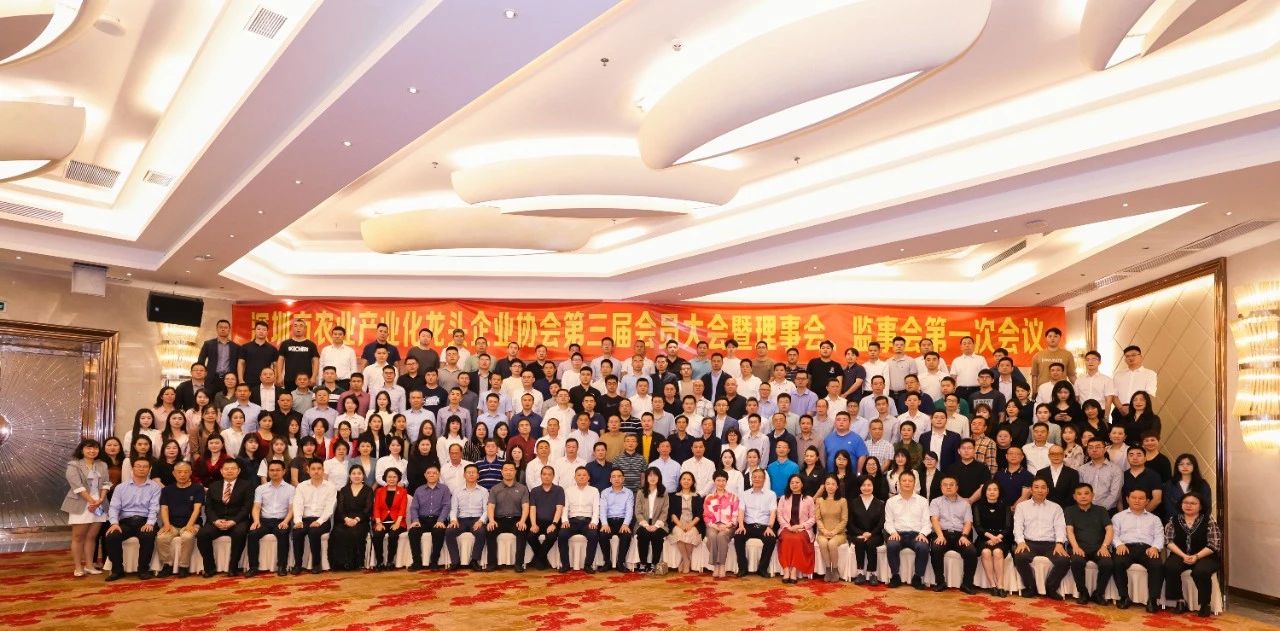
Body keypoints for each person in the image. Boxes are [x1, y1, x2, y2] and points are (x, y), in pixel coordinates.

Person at [102, 458, 162, 581]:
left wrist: (150, 523)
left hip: (145, 520)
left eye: (145, 466)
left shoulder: (155, 487)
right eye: (138, 466)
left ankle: (143, 570)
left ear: (149, 469)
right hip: (126, 522)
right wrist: (114, 523)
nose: (141, 469)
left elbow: (154, 507)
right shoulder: (121, 487)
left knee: (148, 535)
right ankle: (117, 570)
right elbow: (114, 507)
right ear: (132, 468)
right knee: (112, 536)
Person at [1162, 492, 1220, 618]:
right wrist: (1183, 555)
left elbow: (1213, 544)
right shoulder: (1174, 520)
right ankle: (1179, 601)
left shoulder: (1208, 520)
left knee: (1201, 571)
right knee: (1170, 566)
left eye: (1193, 503)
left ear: (1200, 506)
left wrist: (1196, 556)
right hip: (1180, 553)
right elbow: (1168, 541)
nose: (1189, 505)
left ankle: (1204, 604)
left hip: (1205, 555)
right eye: (1186, 503)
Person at [1011, 478, 1070, 599]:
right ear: (1031, 490)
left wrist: (1059, 543)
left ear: (1047, 490)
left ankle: (1051, 587)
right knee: (1020, 557)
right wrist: (1020, 542)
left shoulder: (1056, 507)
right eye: (1036, 487)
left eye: (1043, 487)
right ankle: (1030, 587)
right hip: (1029, 543)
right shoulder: (1022, 506)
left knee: (1064, 561)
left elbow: (1060, 527)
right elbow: (1017, 526)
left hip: (1050, 544)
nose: (1040, 490)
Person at [1111, 487, 1165, 612]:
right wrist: (1118, 544)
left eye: (1141, 498)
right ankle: (1124, 597)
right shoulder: (1118, 517)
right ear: (1127, 499)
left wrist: (1155, 547)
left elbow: (1159, 536)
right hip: (1125, 547)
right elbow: (1113, 534)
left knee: (1157, 565)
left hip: (1147, 548)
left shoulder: (1154, 519)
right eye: (1134, 498)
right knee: (1117, 562)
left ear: (1147, 501)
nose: (1137, 501)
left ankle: (1152, 600)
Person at [196, 460, 252, 578]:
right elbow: (209, 508)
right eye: (226, 469)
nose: (229, 471)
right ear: (221, 471)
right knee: (202, 534)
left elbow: (246, 507)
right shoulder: (213, 486)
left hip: (237, 520)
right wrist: (216, 521)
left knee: (240, 533)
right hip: (217, 520)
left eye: (233, 468)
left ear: (238, 471)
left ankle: (233, 567)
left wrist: (234, 521)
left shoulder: (247, 485)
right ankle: (209, 568)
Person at [65, 439, 111, 577]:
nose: (92, 451)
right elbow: (77, 486)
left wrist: (100, 500)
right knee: (78, 537)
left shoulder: (102, 464)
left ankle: (89, 565)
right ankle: (78, 567)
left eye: (95, 448)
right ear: (82, 450)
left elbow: (106, 483)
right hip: (82, 503)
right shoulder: (74, 465)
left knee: (92, 536)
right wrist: (92, 501)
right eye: (88, 448)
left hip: (99, 503)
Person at [1064, 482, 1115, 606]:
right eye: (1079, 494)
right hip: (1079, 547)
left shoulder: (1101, 510)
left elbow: (1109, 529)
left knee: (1107, 563)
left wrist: (1104, 546)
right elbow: (1069, 530)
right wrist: (1075, 547)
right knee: (1077, 561)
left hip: (1099, 548)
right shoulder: (1069, 511)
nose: (1083, 496)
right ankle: (1083, 593)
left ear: (1092, 495)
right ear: (1074, 496)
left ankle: (1099, 593)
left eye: (1086, 493)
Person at [927, 475, 979, 594]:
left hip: (960, 534)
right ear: (941, 488)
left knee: (971, 551)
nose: (948, 487)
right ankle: (940, 582)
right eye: (945, 485)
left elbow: (968, 522)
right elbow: (934, 520)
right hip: (942, 533)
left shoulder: (965, 504)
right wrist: (940, 535)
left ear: (957, 487)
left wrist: (964, 536)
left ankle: (967, 584)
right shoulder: (935, 502)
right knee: (936, 548)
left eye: (951, 485)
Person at [245, 460, 293, 577]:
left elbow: (292, 509)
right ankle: (253, 567)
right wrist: (256, 521)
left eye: (278, 470)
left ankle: (282, 566)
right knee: (252, 534)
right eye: (271, 470)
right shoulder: (261, 488)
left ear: (284, 471)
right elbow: (256, 507)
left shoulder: (291, 489)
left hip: (281, 520)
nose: (274, 473)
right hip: (264, 521)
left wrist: (286, 521)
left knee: (282, 534)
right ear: (268, 472)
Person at [884, 470, 930, 589]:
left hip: (916, 534)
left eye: (910, 481)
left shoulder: (923, 501)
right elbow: (888, 522)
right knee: (892, 545)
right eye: (904, 480)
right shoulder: (891, 501)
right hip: (898, 534)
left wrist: (923, 534)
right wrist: (893, 532)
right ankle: (895, 576)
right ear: (899, 483)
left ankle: (917, 577)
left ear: (915, 483)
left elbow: (927, 523)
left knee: (923, 547)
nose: (907, 483)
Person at [484, 462, 530, 572]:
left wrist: (523, 521)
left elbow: (525, 506)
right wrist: (491, 520)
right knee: (490, 530)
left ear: (515, 472)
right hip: (499, 519)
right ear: (502, 472)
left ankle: (518, 564)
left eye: (511, 470)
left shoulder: (522, 488)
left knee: (522, 531)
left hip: (516, 519)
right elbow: (490, 506)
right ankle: (492, 563)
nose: (508, 472)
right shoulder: (495, 489)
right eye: (506, 470)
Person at [329, 464, 373, 571]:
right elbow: (340, 509)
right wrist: (346, 519)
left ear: (363, 475)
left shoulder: (368, 490)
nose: (356, 476)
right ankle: (339, 564)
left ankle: (354, 564)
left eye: (359, 473)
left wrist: (356, 520)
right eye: (353, 473)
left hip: (361, 521)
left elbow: (368, 509)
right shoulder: (343, 490)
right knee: (338, 532)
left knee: (355, 532)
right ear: (349, 475)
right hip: (344, 520)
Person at [558, 466, 601, 572]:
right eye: (579, 475)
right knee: (562, 535)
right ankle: (565, 565)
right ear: (575, 477)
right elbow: (565, 508)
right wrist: (564, 520)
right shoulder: (568, 490)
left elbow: (596, 508)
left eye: (584, 475)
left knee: (593, 535)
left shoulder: (594, 491)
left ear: (588, 477)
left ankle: (588, 565)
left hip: (588, 521)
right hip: (572, 521)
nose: (581, 477)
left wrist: (594, 522)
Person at [973, 480, 1012, 596]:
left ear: (999, 492)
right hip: (984, 537)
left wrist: (997, 537)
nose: (992, 492)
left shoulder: (1005, 506)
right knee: (985, 552)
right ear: (985, 492)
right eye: (989, 489)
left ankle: (1000, 585)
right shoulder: (977, 506)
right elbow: (978, 527)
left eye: (995, 489)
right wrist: (991, 537)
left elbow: (1008, 527)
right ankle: (992, 585)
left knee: (997, 552)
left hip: (1002, 537)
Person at [775, 473, 815, 584]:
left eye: (797, 482)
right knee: (787, 539)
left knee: (797, 539)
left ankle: (794, 570)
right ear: (789, 485)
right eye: (792, 483)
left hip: (803, 529)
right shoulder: (783, 498)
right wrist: (788, 527)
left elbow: (813, 518)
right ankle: (786, 570)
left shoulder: (809, 499)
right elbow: (779, 516)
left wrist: (801, 526)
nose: (794, 485)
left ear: (802, 484)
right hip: (786, 528)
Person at [525, 465, 564, 571]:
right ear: (541, 476)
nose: (546, 476)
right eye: (544, 474)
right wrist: (533, 524)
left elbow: (559, 509)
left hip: (553, 522)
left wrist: (554, 524)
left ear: (553, 476)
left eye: (549, 474)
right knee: (530, 536)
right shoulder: (534, 491)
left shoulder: (559, 490)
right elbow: (532, 509)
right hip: (537, 522)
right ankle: (542, 558)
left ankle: (539, 559)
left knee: (552, 536)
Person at [702, 470, 740, 578]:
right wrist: (714, 526)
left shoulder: (733, 497)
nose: (721, 483)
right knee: (712, 535)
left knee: (722, 536)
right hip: (713, 525)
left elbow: (735, 515)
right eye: (718, 480)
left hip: (728, 526)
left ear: (726, 482)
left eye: (723, 480)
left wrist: (727, 525)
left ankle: (722, 565)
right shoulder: (709, 498)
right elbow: (706, 515)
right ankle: (716, 565)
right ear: (714, 481)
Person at [597, 468, 635, 572]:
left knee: (626, 535)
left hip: (623, 521)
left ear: (623, 479)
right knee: (602, 535)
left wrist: (626, 524)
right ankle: (607, 562)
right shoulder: (605, 492)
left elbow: (629, 510)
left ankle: (620, 563)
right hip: (608, 521)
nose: (616, 479)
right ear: (610, 479)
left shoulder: (628, 493)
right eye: (613, 477)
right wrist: (604, 524)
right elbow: (602, 510)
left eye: (619, 476)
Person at [371, 468, 409, 571]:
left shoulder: (402, 491)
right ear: (385, 478)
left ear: (398, 478)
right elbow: (376, 508)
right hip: (382, 521)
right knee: (377, 535)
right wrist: (378, 523)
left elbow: (402, 509)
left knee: (393, 535)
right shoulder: (379, 491)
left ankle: (390, 561)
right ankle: (379, 562)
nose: (392, 479)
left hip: (398, 522)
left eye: (394, 477)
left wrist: (397, 523)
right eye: (389, 477)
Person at [1077, 437, 1123, 511]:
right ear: (1087, 450)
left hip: (1108, 511)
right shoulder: (1082, 469)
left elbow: (1115, 494)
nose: (1094, 450)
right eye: (1090, 447)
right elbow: (1080, 491)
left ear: (1105, 449)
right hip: (1085, 510)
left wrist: (1100, 510)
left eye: (1098, 447)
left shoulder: (1115, 469)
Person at [1163, 453, 1211, 519]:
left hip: (1198, 521)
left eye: (1188, 464)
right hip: (1176, 521)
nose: (1185, 467)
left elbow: (1207, 506)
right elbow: (1168, 507)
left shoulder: (1202, 484)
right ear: (1177, 467)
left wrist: (1198, 521)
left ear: (1194, 466)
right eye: (1181, 464)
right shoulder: (1170, 484)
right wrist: (1180, 521)